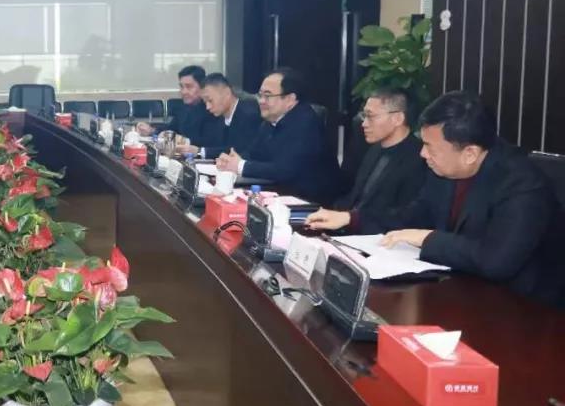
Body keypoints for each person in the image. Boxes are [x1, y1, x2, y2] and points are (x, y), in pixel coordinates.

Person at [306, 92, 565, 306]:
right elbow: (413, 216)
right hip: (461, 289)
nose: (422, 154)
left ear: (470, 153)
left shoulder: (522, 183)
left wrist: (428, 238)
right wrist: (351, 218)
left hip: (522, 309)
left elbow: (496, 261)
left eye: (430, 147)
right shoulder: (446, 168)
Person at [216, 67, 342, 203]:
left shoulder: (306, 123)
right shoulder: (270, 121)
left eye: (268, 96)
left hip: (309, 202)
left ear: (290, 99)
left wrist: (241, 165)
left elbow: (285, 170)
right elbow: (254, 153)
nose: (261, 101)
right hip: (279, 192)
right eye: (260, 95)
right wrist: (234, 160)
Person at [332, 87, 426, 213]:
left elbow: (402, 215)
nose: (364, 124)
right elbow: (355, 198)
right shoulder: (373, 149)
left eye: (371, 116)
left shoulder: (418, 158)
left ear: (397, 119)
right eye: (364, 116)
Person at [137, 65, 216, 148]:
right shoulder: (183, 108)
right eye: (181, 87)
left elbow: (210, 142)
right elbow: (170, 130)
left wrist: (184, 141)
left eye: (189, 87)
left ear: (202, 87)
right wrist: (151, 131)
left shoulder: (211, 109)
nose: (184, 91)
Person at [197, 73, 261, 158]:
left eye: (210, 100)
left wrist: (200, 151)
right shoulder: (218, 117)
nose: (207, 107)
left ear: (227, 93)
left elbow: (240, 151)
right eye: (205, 102)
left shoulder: (249, 115)